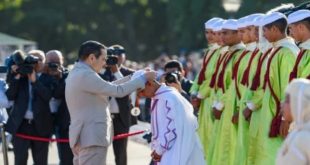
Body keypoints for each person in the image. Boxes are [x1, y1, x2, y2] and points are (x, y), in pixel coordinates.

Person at [65, 40, 156, 165]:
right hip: (91, 138)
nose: (105, 64)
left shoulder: (79, 72)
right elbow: (117, 91)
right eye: (103, 59)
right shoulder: (86, 74)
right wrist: (142, 78)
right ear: (92, 58)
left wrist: (133, 76)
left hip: (86, 136)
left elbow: (107, 88)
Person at [249, 12, 298, 165]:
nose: (262, 34)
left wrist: (285, 118)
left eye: (265, 30)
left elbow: (287, 88)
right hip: (269, 113)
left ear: (275, 30)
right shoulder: (276, 51)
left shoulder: (287, 53)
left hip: (278, 114)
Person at [136, 73, 206, 165]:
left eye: (141, 91)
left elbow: (172, 129)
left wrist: (159, 150)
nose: (141, 95)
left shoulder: (168, 97)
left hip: (174, 152)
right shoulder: (161, 96)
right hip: (167, 151)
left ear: (149, 84)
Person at [5, 50, 55, 165]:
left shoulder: (48, 78)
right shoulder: (20, 76)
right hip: (21, 125)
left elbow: (48, 96)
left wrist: (35, 81)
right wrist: (17, 75)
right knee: (20, 161)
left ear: (44, 62)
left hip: (41, 126)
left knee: (41, 162)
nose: (35, 64)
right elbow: (10, 95)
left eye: (39, 60)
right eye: (31, 60)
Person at [210, 19, 246, 165]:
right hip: (222, 108)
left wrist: (220, 104)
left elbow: (234, 85)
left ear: (238, 34)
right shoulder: (227, 53)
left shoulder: (241, 54)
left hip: (232, 108)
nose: (221, 37)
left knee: (229, 150)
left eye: (225, 33)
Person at [100, 45, 136, 165]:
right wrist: (104, 70)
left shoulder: (128, 72)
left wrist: (116, 72)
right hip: (102, 117)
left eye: (119, 54)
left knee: (120, 154)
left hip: (121, 117)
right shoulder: (99, 71)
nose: (116, 57)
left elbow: (128, 89)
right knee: (98, 152)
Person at [279, 10, 310, 138]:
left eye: (291, 29)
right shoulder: (304, 50)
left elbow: (304, 86)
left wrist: (288, 118)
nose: (290, 33)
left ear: (301, 27)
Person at [45, 50, 74, 165]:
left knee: (71, 157)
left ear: (62, 62)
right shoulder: (41, 76)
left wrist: (61, 78)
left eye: (56, 62)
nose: (53, 65)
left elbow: (58, 93)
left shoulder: (68, 75)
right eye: (50, 62)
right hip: (44, 120)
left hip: (65, 122)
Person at [276, 78, 310, 165]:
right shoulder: (298, 133)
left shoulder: (303, 138)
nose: (282, 104)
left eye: (287, 100)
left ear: (300, 103)